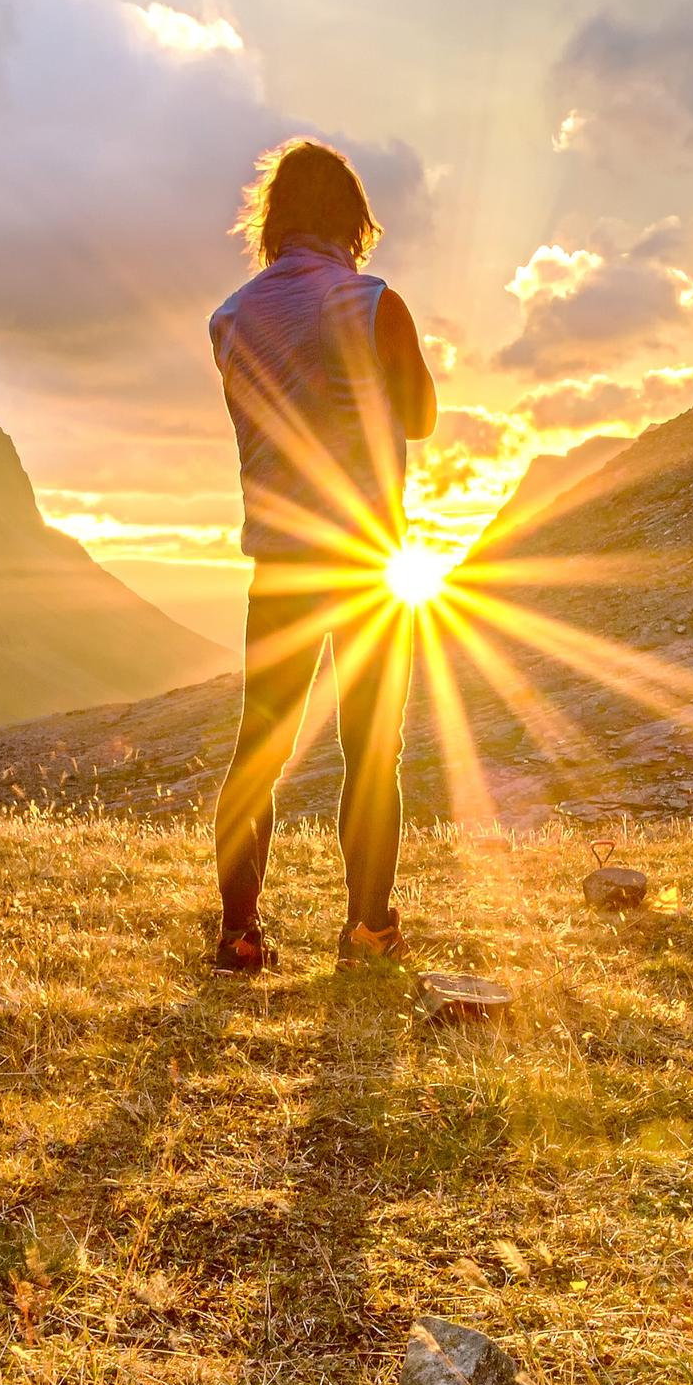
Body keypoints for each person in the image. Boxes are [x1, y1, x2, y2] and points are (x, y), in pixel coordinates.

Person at [206, 139, 436, 973]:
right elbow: (421, 419)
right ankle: (367, 929)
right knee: (372, 746)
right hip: (367, 562)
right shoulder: (375, 301)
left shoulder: (228, 318)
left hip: (280, 564)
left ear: (273, 220)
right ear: (353, 219)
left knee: (259, 745)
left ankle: (238, 934)